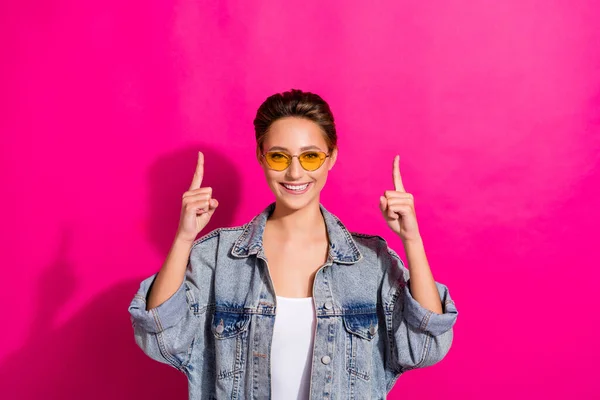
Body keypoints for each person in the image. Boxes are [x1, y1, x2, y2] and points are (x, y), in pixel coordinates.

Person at [128, 89, 458, 399]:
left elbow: (424, 346)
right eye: (279, 157)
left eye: (311, 156)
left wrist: (411, 240)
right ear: (261, 157)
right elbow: (162, 339)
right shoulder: (217, 257)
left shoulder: (370, 262)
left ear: (331, 158)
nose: (295, 173)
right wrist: (185, 237)